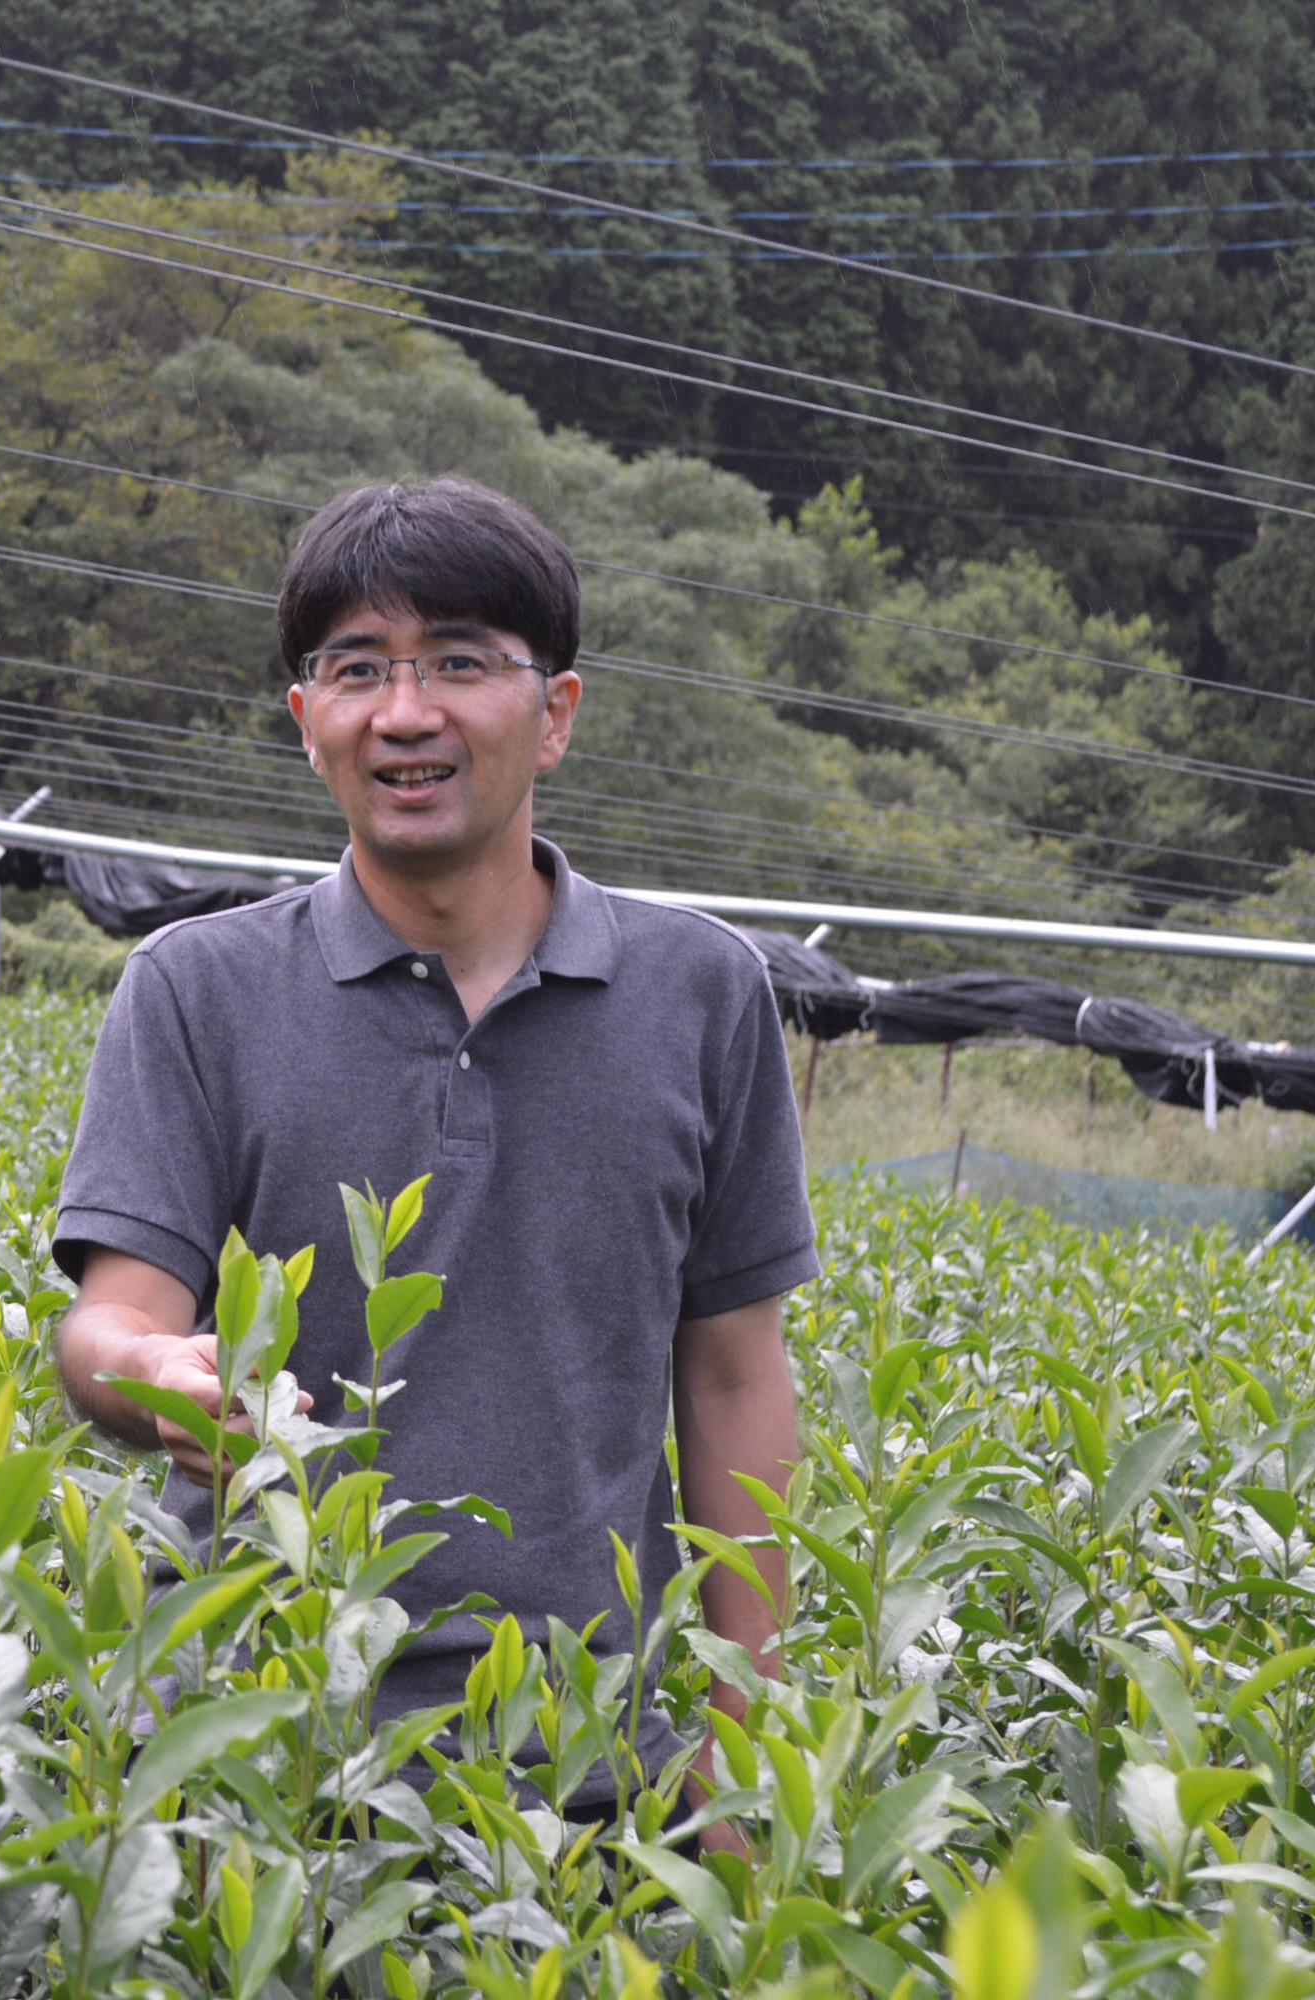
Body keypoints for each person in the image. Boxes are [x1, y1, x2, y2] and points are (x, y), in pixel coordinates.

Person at [50, 476, 810, 1844]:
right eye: (358, 670)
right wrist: (150, 1374)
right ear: (307, 722)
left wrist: (740, 1747)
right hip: (258, 1754)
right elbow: (112, 1319)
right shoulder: (197, 991)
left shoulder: (701, 994)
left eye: (459, 662)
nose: (405, 713)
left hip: (588, 1773)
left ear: (555, 713)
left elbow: (735, 1377)